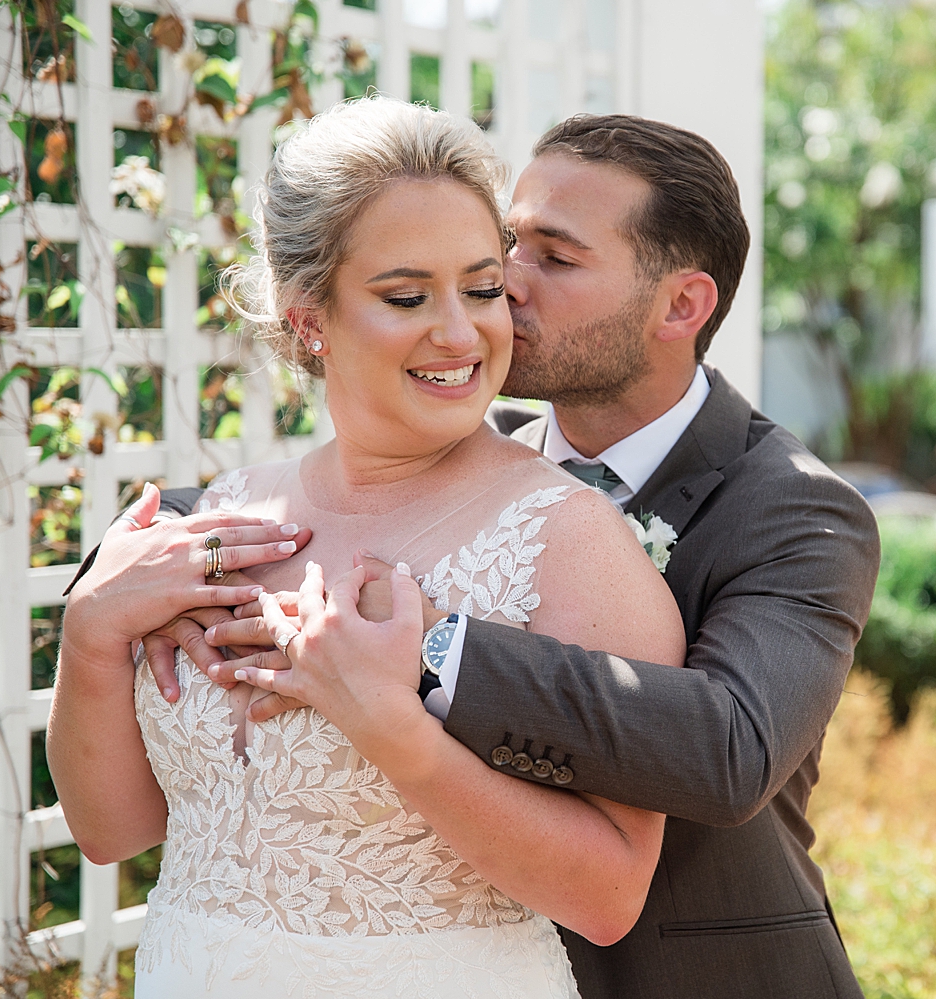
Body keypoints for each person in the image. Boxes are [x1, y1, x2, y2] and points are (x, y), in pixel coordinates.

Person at [164, 114, 881, 998]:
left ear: (681, 306)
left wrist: (432, 647)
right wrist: (147, 561)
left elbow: (730, 748)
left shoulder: (798, 510)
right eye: (511, 244)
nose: (507, 281)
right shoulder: (471, 444)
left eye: (557, 256)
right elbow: (306, 498)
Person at [48, 97, 686, 999]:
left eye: (481, 288)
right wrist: (90, 629)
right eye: (406, 296)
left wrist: (391, 727)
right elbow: (113, 829)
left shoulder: (565, 539)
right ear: (310, 318)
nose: (462, 333)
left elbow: (609, 893)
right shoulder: (222, 518)